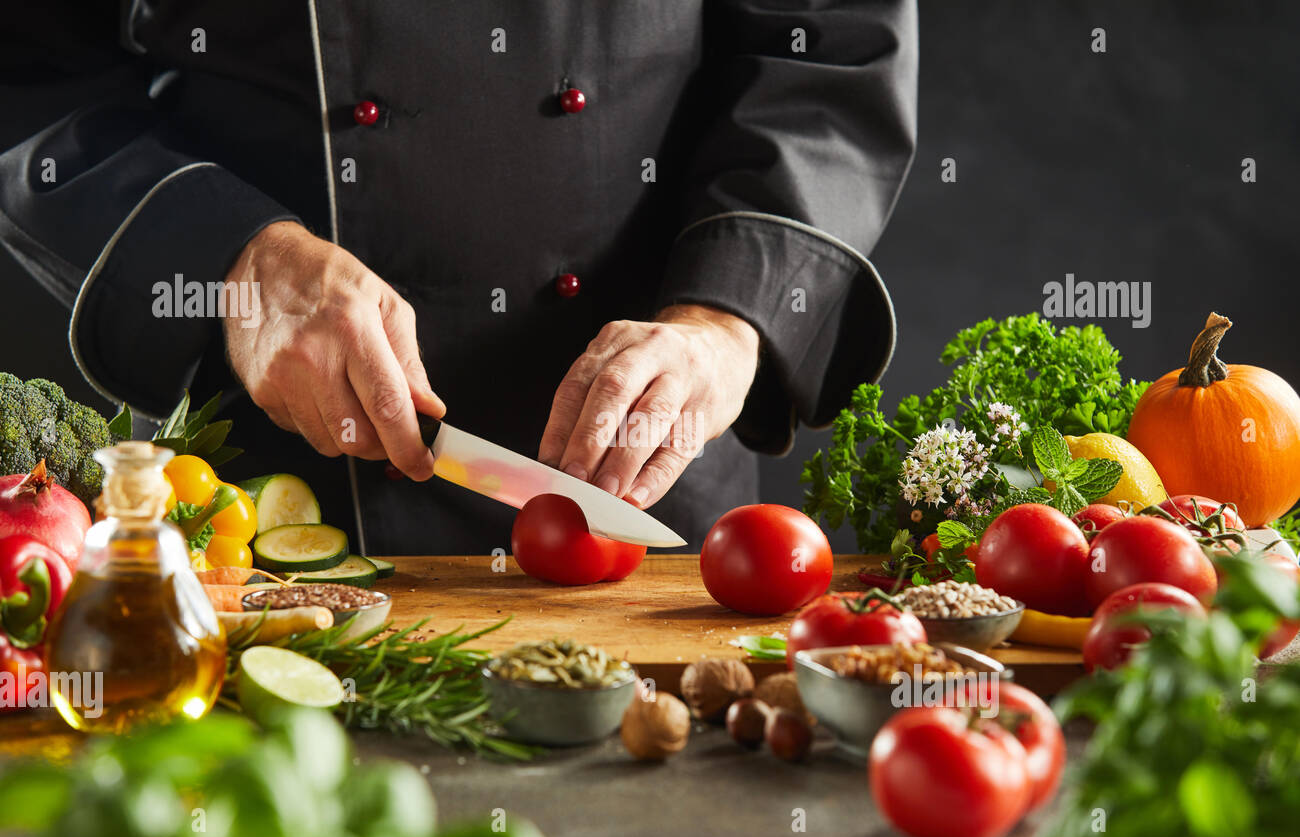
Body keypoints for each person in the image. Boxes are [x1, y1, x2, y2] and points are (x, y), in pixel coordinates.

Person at [0, 1, 916, 553]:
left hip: (644, 474)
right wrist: (233, 260)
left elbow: (828, 43)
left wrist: (728, 316)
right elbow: (32, 75)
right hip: (271, 494)